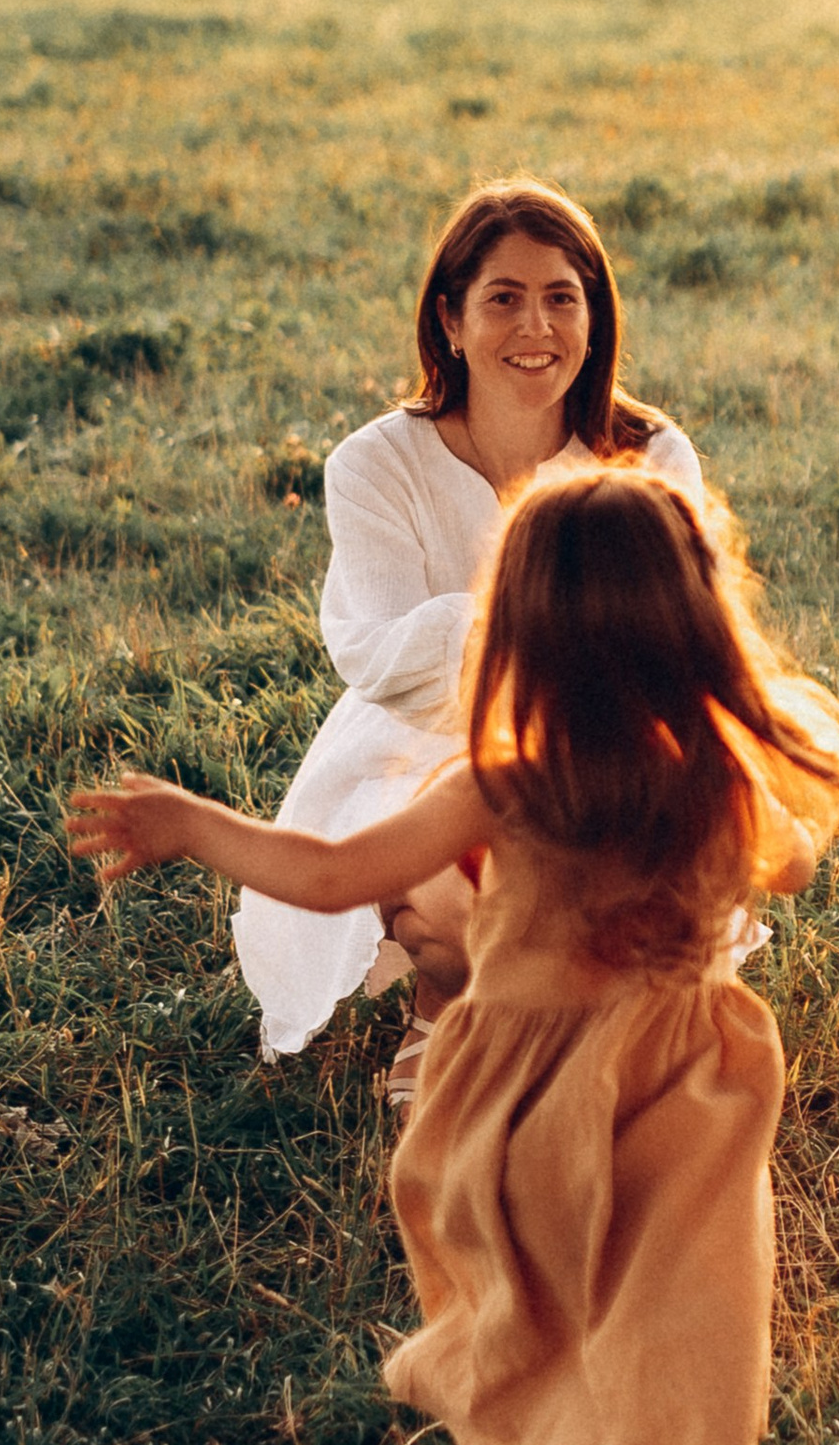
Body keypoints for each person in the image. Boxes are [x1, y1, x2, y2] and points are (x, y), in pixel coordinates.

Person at [71, 466, 839, 1445]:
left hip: (521, 1100)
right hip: (684, 1087)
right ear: (696, 620)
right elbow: (795, 856)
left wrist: (192, 823)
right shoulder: (715, 772)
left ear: (519, 625)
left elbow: (333, 875)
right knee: (690, 1326)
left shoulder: (504, 779)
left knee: (523, 1323)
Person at [234, 177, 710, 1102]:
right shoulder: (376, 463)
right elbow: (376, 655)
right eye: (504, 298)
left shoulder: (651, 454)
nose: (535, 328)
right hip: (420, 745)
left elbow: (678, 644)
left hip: (604, 739)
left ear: (594, 315)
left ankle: (577, 1020)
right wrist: (546, 623)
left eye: (561, 298)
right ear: (450, 319)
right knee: (468, 884)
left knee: (605, 878)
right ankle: (444, 1004)